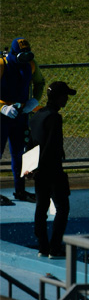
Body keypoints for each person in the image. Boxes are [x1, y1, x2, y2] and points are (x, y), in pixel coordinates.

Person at [28, 81, 76, 258]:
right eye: (65, 96)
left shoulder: (37, 115)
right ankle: (55, 248)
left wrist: (30, 168)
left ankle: (42, 246)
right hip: (53, 169)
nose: (67, 99)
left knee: (41, 207)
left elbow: (31, 143)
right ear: (58, 97)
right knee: (63, 208)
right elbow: (51, 145)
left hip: (39, 170)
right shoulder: (55, 118)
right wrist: (45, 166)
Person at [1, 37, 45, 205]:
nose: (25, 59)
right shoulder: (2, 65)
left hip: (20, 115)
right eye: (22, 56)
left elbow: (40, 82)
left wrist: (35, 100)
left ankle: (20, 190)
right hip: (2, 115)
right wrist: (2, 107)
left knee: (20, 154)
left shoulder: (31, 64)